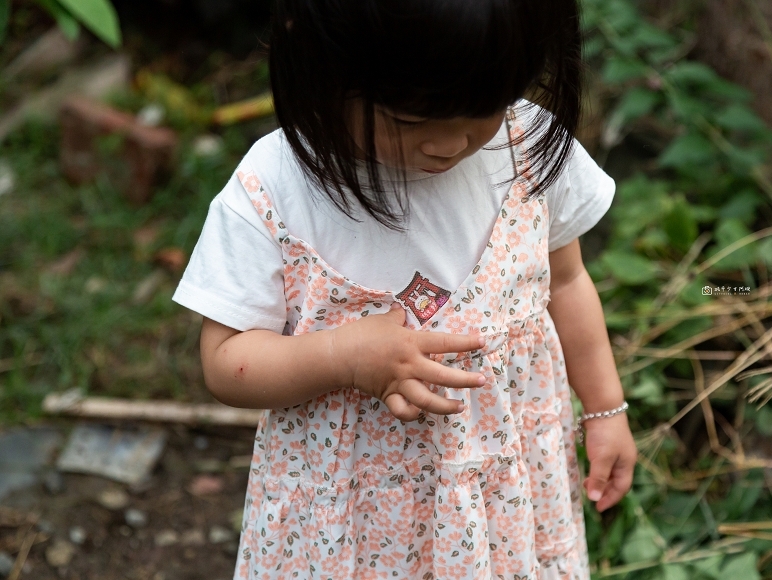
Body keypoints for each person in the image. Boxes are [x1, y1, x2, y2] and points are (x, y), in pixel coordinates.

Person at [173, 0, 637, 578]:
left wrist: (605, 409)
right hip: (349, 518)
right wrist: (342, 355)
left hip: (503, 497)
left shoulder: (524, 145)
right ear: (328, 68)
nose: (448, 144)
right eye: (410, 121)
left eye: (481, 110)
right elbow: (224, 361)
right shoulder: (278, 187)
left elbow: (565, 281)